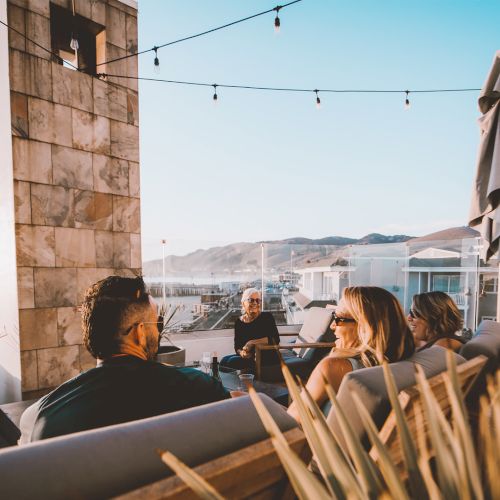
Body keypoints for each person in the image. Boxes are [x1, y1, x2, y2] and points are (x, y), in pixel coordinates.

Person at [20, 276, 229, 442]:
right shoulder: (196, 387)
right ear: (139, 332)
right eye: (157, 323)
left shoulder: (41, 415)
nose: (159, 331)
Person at [288, 286, 414, 421]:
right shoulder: (403, 362)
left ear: (364, 326)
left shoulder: (333, 368)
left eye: (337, 318)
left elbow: (292, 420)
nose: (332, 326)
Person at [220, 288, 280, 372]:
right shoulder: (239, 322)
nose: (255, 303)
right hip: (249, 357)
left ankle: (243, 382)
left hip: (266, 356)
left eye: (258, 300)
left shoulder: (267, 317)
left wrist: (251, 342)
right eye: (251, 300)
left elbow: (275, 339)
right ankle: (229, 384)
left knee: (231, 362)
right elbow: (237, 345)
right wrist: (242, 353)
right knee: (223, 361)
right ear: (243, 303)